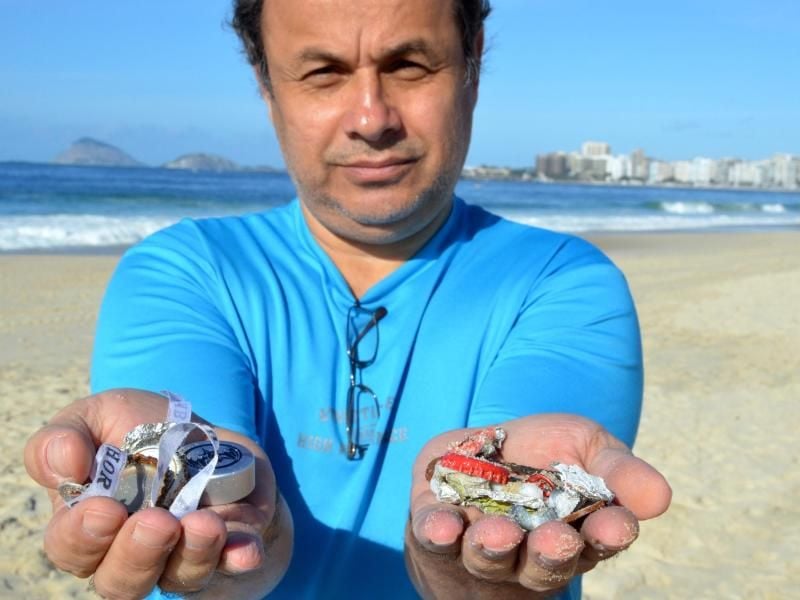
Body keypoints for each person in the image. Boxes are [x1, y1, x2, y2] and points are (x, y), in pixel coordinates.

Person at [24, 0, 672, 598]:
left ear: (471, 64)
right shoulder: (184, 270)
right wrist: (236, 548)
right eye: (324, 73)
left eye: (410, 65)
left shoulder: (561, 281)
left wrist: (459, 564)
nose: (371, 118)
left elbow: (512, 506)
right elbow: (190, 469)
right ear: (265, 81)